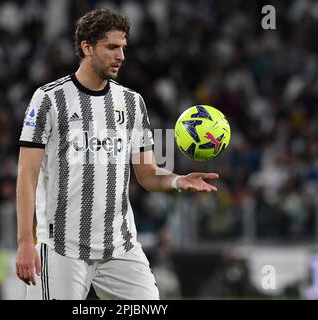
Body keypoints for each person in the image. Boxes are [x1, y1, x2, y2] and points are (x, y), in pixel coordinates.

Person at [15, 8, 219, 300]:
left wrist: (177, 180)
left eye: (123, 47)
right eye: (112, 47)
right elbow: (27, 174)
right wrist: (25, 241)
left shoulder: (132, 103)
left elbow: (148, 175)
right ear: (87, 47)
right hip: (63, 246)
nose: (121, 55)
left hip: (119, 246)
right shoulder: (48, 99)